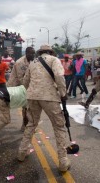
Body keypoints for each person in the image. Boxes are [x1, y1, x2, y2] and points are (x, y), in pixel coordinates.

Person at [17, 44, 71, 173]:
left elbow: (25, 81)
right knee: (58, 126)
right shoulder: (54, 60)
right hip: (49, 97)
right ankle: (63, 161)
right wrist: (63, 93)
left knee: (31, 124)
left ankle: (22, 152)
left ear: (40, 52)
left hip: (32, 96)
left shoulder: (33, 62)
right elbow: (59, 76)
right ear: (50, 52)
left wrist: (29, 92)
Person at [6, 47, 35, 131]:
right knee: (5, 105)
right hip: (14, 86)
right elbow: (20, 79)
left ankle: (24, 125)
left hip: (24, 86)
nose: (33, 55)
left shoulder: (33, 61)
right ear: (26, 53)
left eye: (34, 53)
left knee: (25, 106)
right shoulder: (20, 63)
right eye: (31, 53)